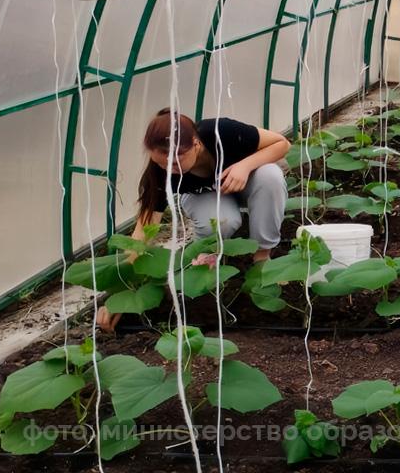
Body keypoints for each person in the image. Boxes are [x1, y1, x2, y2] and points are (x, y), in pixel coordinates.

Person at [95, 108, 289, 331]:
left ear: (196, 144)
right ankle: (206, 261)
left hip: (246, 179)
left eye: (176, 163)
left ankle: (262, 257)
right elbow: (143, 231)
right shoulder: (158, 175)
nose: (169, 169)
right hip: (202, 195)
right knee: (220, 222)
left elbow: (281, 144)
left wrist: (244, 166)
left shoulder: (220, 131)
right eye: (161, 163)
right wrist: (119, 295)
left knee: (271, 177)